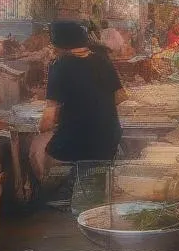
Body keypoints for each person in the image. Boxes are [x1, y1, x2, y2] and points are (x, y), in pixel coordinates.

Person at [32, 21, 127, 180]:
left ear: (58, 44)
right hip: (108, 139)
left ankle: (50, 196)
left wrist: (43, 127)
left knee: (36, 152)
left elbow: (47, 121)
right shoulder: (102, 60)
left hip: (76, 140)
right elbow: (121, 96)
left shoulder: (59, 65)